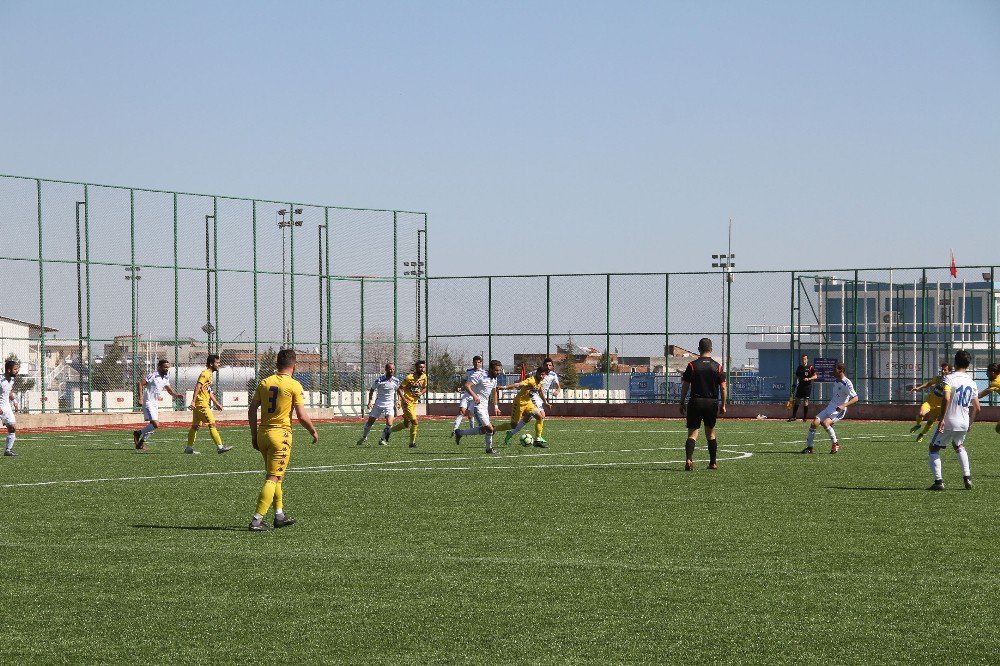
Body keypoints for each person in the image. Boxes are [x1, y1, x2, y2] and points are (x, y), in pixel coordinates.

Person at [248, 348, 319, 531]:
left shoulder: (265, 382)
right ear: (294, 366)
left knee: (276, 476)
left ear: (276, 364)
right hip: (281, 436)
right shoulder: (294, 385)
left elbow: (252, 409)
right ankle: (257, 520)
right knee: (273, 477)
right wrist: (312, 430)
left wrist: (254, 435)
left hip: (264, 434)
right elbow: (302, 416)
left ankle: (279, 515)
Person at [928, 350, 980, 491]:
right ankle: (967, 477)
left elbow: (946, 398)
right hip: (964, 421)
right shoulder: (972, 382)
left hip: (950, 420)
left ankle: (939, 482)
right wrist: (970, 423)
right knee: (959, 445)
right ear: (968, 364)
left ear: (955, 362)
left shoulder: (949, 378)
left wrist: (942, 419)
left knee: (933, 448)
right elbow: (977, 408)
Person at [679, 338, 727, 470]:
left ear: (699, 349)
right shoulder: (717, 367)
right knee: (711, 434)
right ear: (711, 349)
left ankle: (689, 459)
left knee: (692, 434)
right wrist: (723, 404)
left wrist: (682, 402)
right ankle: (713, 463)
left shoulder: (692, 366)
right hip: (711, 403)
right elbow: (723, 387)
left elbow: (685, 385)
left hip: (695, 402)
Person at [801, 363, 858, 454]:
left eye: (835, 369)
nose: (833, 371)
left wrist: (843, 405)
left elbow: (855, 398)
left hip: (839, 410)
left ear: (840, 370)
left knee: (825, 423)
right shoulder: (836, 381)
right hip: (830, 407)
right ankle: (810, 448)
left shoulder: (847, 383)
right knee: (814, 423)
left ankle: (836, 443)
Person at [133, 359, 184, 451]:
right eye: (165, 367)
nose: (167, 369)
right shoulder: (153, 375)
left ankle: (140, 443)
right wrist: (140, 398)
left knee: (152, 426)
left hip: (155, 403)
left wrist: (176, 395)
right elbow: (140, 383)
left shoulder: (166, 377)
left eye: (168, 367)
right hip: (148, 402)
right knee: (156, 424)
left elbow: (169, 390)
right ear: (159, 367)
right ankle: (138, 433)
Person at [454, 360, 503, 454]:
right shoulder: (481, 375)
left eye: (499, 370)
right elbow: (467, 385)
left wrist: (496, 406)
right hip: (477, 406)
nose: (498, 372)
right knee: (490, 429)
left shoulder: (494, 379)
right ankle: (489, 449)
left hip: (485, 407)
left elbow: (494, 392)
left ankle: (460, 433)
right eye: (496, 370)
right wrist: (475, 396)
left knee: (485, 429)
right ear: (491, 369)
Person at [187, 354, 230, 454]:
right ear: (211, 364)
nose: (219, 364)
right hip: (202, 404)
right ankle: (220, 446)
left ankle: (189, 448)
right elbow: (197, 387)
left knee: (195, 426)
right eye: (217, 363)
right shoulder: (205, 373)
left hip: (200, 404)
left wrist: (216, 403)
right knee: (212, 424)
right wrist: (193, 401)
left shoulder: (209, 375)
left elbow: (208, 391)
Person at [501, 366, 549, 448]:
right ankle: (501, 431)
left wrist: (546, 402)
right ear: (537, 373)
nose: (542, 376)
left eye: (543, 375)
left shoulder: (540, 382)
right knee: (515, 424)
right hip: (520, 403)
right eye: (540, 374)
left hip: (529, 403)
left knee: (539, 417)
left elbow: (540, 391)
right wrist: (505, 387)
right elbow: (518, 384)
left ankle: (537, 440)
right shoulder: (531, 380)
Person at [386, 360, 427, 448]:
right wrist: (402, 399)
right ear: (416, 368)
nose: (422, 369)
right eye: (420, 367)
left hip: (414, 403)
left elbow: (424, 388)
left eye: (423, 367)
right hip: (407, 402)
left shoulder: (424, 376)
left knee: (406, 424)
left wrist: (420, 393)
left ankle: (388, 431)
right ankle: (412, 443)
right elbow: (400, 389)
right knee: (415, 422)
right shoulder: (409, 377)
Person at [357, 363, 400, 446]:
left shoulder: (396, 380)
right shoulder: (379, 380)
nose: (392, 371)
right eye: (390, 369)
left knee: (389, 424)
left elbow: (399, 391)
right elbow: (372, 390)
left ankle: (382, 440)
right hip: (379, 403)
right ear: (386, 369)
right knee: (370, 422)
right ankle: (364, 436)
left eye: (393, 369)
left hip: (389, 404)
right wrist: (370, 401)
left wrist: (399, 400)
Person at [909, 362, 951, 442]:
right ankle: (918, 425)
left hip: (939, 407)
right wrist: (918, 388)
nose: (942, 371)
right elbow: (929, 383)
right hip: (929, 402)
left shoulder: (951, 383)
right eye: (942, 369)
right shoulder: (938, 378)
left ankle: (921, 434)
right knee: (921, 413)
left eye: (945, 370)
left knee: (930, 422)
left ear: (949, 372)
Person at [452, 356, 483, 437]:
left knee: (470, 415)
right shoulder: (469, 371)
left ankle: (471, 429)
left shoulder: (483, 373)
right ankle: (455, 430)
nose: (477, 364)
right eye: (475, 362)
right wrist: (459, 386)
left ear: (481, 363)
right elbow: (464, 380)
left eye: (478, 362)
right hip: (467, 394)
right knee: (461, 411)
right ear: (473, 363)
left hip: (475, 395)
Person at [788, 355, 817, 422]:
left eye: (805, 359)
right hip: (800, 386)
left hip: (807, 387)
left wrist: (809, 378)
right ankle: (794, 416)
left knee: (805, 401)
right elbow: (796, 377)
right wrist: (794, 386)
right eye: (803, 359)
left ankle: (805, 418)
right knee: (797, 400)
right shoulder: (799, 368)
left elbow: (815, 376)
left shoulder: (810, 367)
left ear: (807, 360)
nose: (804, 361)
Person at [1, 360, 20, 457]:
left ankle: (8, 450)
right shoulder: (0, 379)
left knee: (12, 427)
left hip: (6, 407)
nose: (17, 371)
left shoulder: (12, 380)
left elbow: (9, 391)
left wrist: (15, 402)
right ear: (9, 370)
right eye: (15, 369)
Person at [975, 363, 1000, 436]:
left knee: (998, 429)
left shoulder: (995, 383)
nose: (986, 374)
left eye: (987, 372)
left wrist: (966, 396)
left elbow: (980, 395)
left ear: (992, 372)